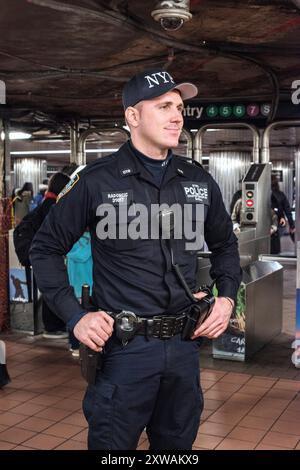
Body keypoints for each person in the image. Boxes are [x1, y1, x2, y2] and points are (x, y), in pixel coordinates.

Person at [30, 69, 241, 450]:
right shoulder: (96, 180)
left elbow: (226, 245)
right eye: (164, 106)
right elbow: (43, 249)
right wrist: (76, 317)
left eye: (179, 107)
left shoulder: (197, 180)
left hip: (183, 347)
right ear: (133, 117)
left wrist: (225, 298)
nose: (177, 116)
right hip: (124, 351)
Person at [29, 172, 71, 339]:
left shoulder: (46, 202)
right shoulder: (53, 206)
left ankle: (52, 325)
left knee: (49, 287)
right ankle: (52, 326)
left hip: (43, 253)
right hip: (49, 254)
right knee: (53, 287)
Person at [271, 177, 295, 252]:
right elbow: (287, 211)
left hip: (263, 225)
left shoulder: (261, 195)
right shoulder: (281, 195)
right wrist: (292, 225)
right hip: (277, 224)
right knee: (275, 246)